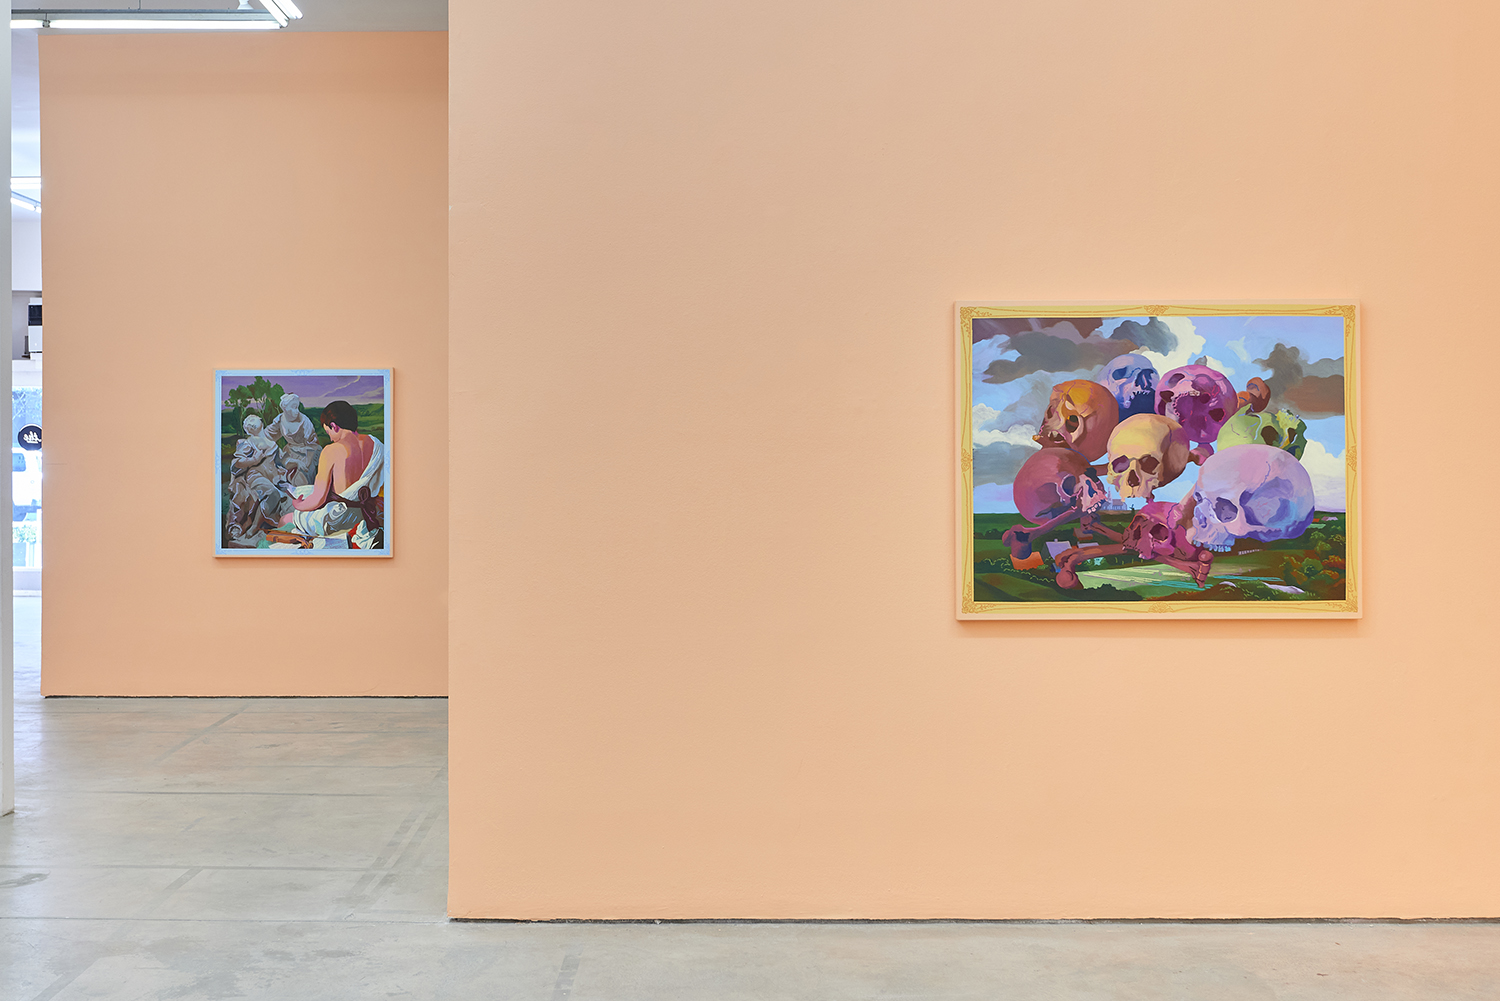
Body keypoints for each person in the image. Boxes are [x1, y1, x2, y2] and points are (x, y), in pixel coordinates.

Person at [279, 400, 386, 549]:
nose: (330, 438)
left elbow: (318, 498)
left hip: (340, 519)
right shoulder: (377, 444)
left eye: (328, 432)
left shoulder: (331, 451)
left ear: (334, 426)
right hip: (368, 512)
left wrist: (298, 504)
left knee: (286, 520)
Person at [225, 414, 287, 542]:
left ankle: (267, 522)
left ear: (261, 423)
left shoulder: (272, 444)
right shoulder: (247, 443)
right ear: (248, 430)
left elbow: (280, 463)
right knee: (271, 492)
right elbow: (237, 463)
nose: (252, 424)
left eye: (254, 420)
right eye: (249, 424)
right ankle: (254, 525)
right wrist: (254, 460)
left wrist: (284, 470)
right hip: (256, 476)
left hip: (273, 477)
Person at [263, 393, 321, 487]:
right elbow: (268, 435)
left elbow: (313, 443)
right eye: (294, 407)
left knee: (301, 480)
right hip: (290, 452)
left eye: (297, 407)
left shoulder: (304, 421)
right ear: (284, 408)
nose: (297, 411)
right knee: (273, 473)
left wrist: (306, 462)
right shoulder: (280, 419)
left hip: (307, 452)